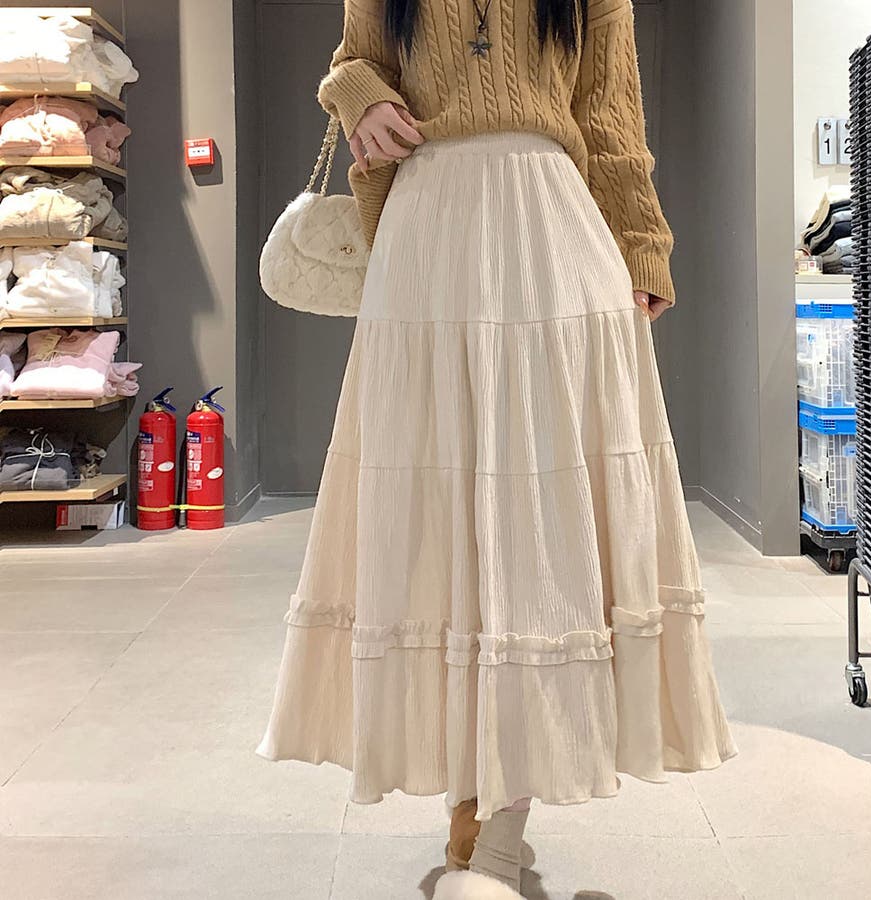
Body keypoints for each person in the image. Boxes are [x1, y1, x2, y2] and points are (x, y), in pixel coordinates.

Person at [257, 0, 738, 896]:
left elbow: (611, 114)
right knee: (439, 529)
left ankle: (497, 840)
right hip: (427, 234)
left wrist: (642, 247)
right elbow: (356, 58)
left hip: (552, 229)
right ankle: (471, 819)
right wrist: (357, 94)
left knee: (538, 536)